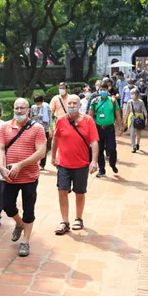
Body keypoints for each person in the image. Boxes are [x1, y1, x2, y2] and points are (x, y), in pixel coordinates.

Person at [0, 98, 47, 257]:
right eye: (16, 108)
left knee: (28, 210)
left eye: (22, 108)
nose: (19, 111)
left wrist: (20, 164)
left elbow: (41, 152)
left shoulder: (37, 128)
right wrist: (1, 166)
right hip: (10, 177)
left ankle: (25, 242)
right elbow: (0, 147)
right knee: (7, 206)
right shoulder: (5, 126)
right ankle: (19, 224)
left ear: (28, 110)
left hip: (29, 177)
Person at [51, 96, 99, 234]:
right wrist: (53, 157)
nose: (72, 105)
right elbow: (55, 138)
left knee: (79, 192)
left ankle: (78, 218)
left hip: (81, 164)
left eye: (75, 103)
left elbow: (94, 141)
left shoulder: (88, 121)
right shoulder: (61, 121)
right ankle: (64, 221)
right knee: (62, 191)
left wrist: (94, 161)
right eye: (70, 103)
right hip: (63, 164)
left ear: (80, 105)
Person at [88, 84, 122, 177]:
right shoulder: (94, 101)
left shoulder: (113, 101)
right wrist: (89, 130)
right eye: (101, 89)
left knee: (112, 149)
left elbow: (118, 115)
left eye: (104, 89)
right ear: (98, 91)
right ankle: (102, 170)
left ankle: (112, 164)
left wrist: (120, 127)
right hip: (98, 129)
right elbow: (90, 117)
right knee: (99, 150)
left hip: (110, 129)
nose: (103, 91)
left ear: (108, 90)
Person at [30, 94, 51, 169]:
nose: (37, 105)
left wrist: (50, 128)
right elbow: (31, 118)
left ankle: (42, 164)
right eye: (36, 103)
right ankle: (34, 162)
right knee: (33, 146)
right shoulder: (33, 107)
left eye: (39, 103)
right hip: (34, 129)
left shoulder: (47, 106)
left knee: (43, 147)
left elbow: (50, 118)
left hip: (44, 129)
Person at [124, 88, 148, 153]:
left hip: (139, 118)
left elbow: (144, 111)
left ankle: (137, 143)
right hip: (132, 118)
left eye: (133, 94)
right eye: (131, 94)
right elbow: (127, 112)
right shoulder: (129, 102)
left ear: (137, 94)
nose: (132, 95)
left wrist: (146, 119)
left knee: (138, 133)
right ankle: (133, 146)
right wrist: (125, 120)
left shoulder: (141, 102)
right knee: (132, 133)